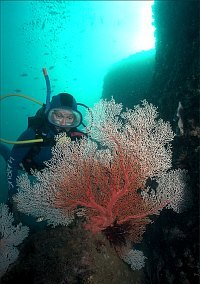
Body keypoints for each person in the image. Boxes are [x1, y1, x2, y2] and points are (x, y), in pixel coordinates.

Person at [6, 92, 87, 207]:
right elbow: (12, 163)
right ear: (50, 114)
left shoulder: (78, 137)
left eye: (69, 117)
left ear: (75, 119)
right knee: (7, 155)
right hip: (28, 165)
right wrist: (13, 194)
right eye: (58, 116)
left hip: (53, 175)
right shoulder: (34, 133)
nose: (63, 123)